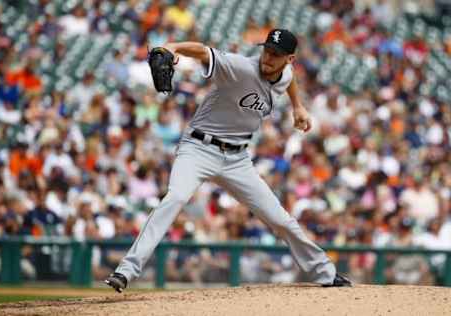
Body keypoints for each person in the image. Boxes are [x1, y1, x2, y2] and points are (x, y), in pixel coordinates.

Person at [105, 29, 351, 292]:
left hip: (238, 159)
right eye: (267, 49)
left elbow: (288, 81)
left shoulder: (286, 73)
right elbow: (202, 51)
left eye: (276, 54)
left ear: (289, 59)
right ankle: (126, 271)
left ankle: (325, 273)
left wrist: (298, 107)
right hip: (199, 148)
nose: (268, 57)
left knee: (280, 219)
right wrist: (173, 47)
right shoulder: (240, 67)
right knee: (174, 199)